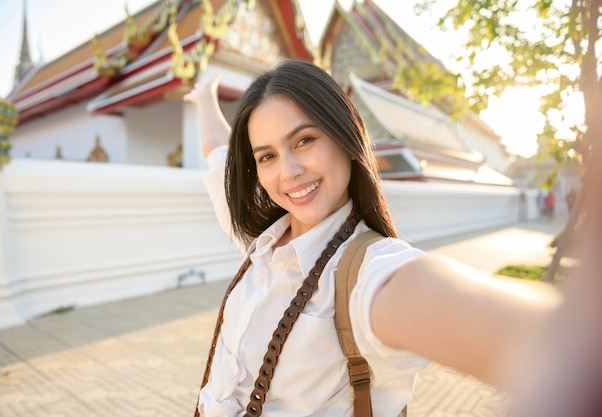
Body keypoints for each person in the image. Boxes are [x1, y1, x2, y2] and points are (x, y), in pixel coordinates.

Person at [185, 60, 562, 417]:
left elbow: (441, 301)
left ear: (346, 137)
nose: (288, 172)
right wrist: (205, 97)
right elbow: (218, 152)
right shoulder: (260, 240)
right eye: (267, 156)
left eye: (304, 141)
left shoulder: (365, 273)